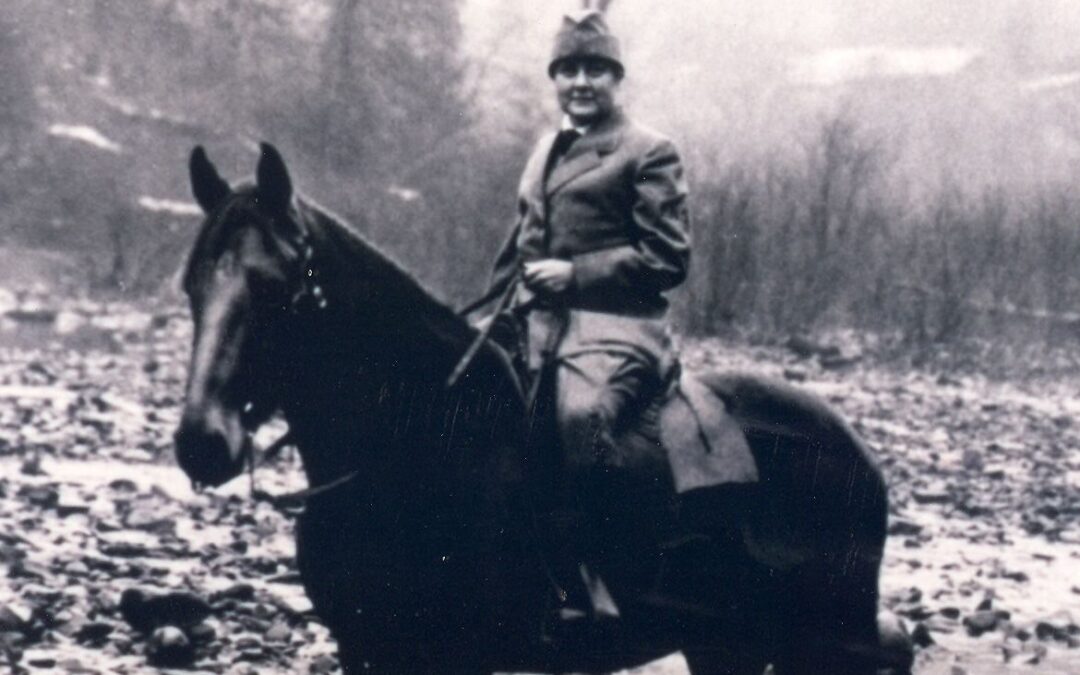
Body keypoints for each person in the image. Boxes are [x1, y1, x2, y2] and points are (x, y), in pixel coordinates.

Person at [484, 9, 691, 623]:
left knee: (580, 416)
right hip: (539, 319)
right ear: (555, 78)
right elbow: (522, 242)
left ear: (615, 77)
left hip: (618, 325)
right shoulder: (546, 147)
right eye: (568, 69)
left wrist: (578, 273)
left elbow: (668, 258)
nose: (581, 82)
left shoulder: (649, 151)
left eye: (595, 69)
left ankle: (597, 574)